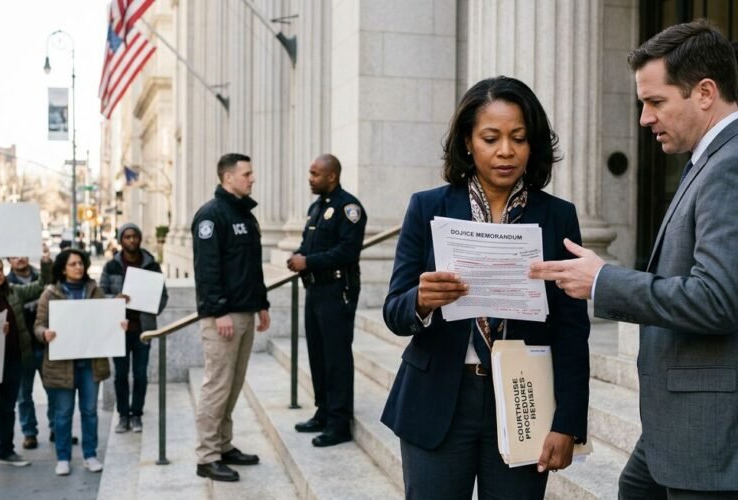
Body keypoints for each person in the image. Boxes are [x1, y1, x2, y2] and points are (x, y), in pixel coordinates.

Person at [530, 20, 738, 498]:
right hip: (678, 423)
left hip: (709, 436)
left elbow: (718, 299)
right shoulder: (708, 159)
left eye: (655, 101)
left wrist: (605, 282)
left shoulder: (728, 165)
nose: (644, 118)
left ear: (705, 92)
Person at [382, 76, 590, 499]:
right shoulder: (428, 207)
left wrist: (568, 421)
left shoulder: (557, 216)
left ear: (533, 146)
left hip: (524, 398)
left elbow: (572, 330)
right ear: (467, 142)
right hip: (438, 396)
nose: (506, 151)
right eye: (491, 138)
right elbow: (394, 311)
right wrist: (421, 300)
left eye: (519, 138)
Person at [191, 153, 270, 482]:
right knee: (217, 386)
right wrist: (219, 310)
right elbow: (207, 270)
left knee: (233, 386)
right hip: (222, 317)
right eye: (247, 174)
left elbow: (251, 266)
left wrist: (261, 303)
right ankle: (207, 456)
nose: (252, 179)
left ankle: (223, 445)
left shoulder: (245, 214)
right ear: (227, 178)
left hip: (245, 312)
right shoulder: (211, 216)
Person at [287, 154, 366, 447]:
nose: (310, 178)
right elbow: (310, 244)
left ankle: (339, 422)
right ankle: (323, 411)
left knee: (336, 358)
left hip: (336, 291)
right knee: (318, 355)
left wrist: (307, 261)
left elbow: (347, 251)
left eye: (315, 174)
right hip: (315, 290)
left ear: (332, 176)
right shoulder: (317, 207)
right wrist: (297, 255)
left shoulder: (349, 208)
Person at [34, 249, 121, 476]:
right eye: (73, 264)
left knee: (89, 412)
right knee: (63, 413)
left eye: (81, 263)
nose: (78, 267)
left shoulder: (94, 291)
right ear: (63, 268)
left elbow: (106, 321)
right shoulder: (50, 293)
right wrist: (45, 334)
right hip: (62, 364)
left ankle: (90, 455)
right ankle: (63, 458)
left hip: (90, 363)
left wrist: (117, 326)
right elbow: (38, 325)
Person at [0, 253, 51, 476]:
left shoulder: (12, 291)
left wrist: (45, 262)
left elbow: (42, 285)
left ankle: (6, 451)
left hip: (14, 359)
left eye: (0, 269)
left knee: (7, 409)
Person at [99, 222, 168, 434]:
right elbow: (100, 295)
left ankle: (137, 414)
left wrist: (150, 307)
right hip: (119, 330)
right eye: (127, 237)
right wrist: (115, 299)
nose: (131, 240)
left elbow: (163, 296)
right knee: (120, 375)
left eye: (134, 236)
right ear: (121, 240)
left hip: (143, 331)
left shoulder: (151, 265)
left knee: (140, 374)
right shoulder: (111, 266)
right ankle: (123, 416)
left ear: (139, 238)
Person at [11, 255, 76, 449]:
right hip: (23, 349)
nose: (20, 258)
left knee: (54, 391)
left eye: (22, 253)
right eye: (14, 255)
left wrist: (47, 262)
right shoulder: (5, 283)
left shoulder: (44, 278)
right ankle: (29, 432)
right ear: (8, 259)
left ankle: (58, 429)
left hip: (47, 345)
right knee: (24, 395)